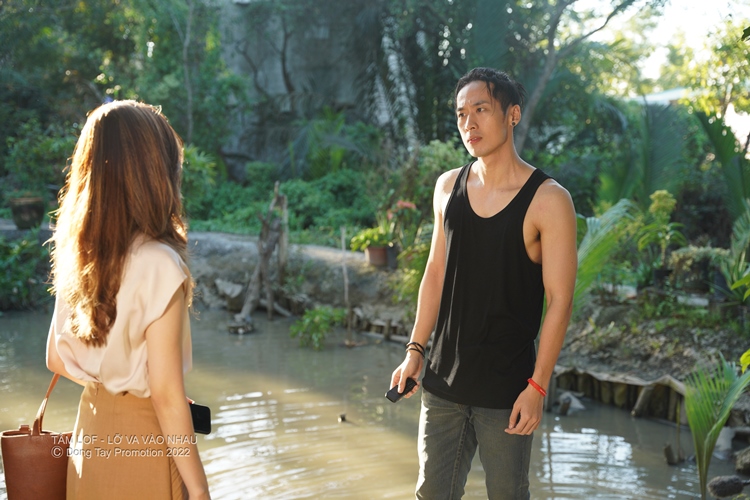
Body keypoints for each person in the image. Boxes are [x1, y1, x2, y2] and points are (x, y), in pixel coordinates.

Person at [390, 67, 578, 499]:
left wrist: (537, 386)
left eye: (481, 110)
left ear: (512, 114)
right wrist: (415, 349)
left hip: (508, 393)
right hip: (442, 385)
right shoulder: (447, 187)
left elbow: (560, 299)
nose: (469, 123)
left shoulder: (549, 200)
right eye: (461, 114)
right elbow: (435, 272)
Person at [46, 100, 211, 500]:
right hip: (144, 443)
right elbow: (166, 395)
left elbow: (55, 358)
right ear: (154, 173)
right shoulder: (159, 263)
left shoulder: (81, 255)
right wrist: (200, 490)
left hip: (90, 440)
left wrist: (117, 383)